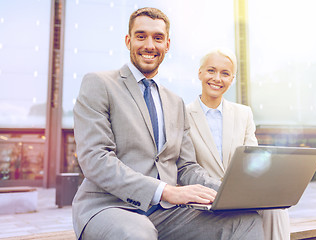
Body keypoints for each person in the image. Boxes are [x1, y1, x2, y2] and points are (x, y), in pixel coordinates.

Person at [72, 7, 264, 240]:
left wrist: (230, 191)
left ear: (167, 45)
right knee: (138, 234)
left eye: (158, 38)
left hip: (165, 214)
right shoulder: (99, 84)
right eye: (141, 36)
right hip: (110, 207)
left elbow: (186, 167)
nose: (150, 45)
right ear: (128, 40)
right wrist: (165, 191)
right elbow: (95, 159)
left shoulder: (175, 102)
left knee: (245, 220)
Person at [186, 48, 291, 240]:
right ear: (200, 72)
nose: (217, 78)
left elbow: (254, 161)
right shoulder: (182, 115)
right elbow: (184, 167)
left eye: (225, 73)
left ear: (232, 79)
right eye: (211, 70)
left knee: (277, 208)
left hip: (242, 195)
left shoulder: (244, 114)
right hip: (204, 199)